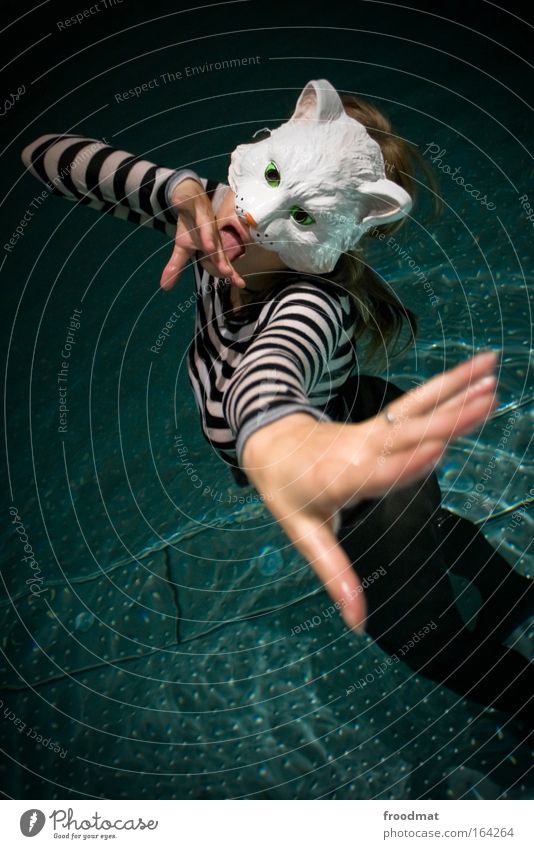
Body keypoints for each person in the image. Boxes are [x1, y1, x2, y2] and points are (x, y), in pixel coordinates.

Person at [20, 79, 533, 725]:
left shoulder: (311, 303)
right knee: (434, 536)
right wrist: (176, 191)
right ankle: (510, 592)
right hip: (375, 430)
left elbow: (273, 372)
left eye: (304, 214)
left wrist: (273, 438)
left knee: (422, 641)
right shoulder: (214, 226)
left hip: (360, 481)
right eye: (268, 173)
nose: (254, 216)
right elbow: (43, 153)